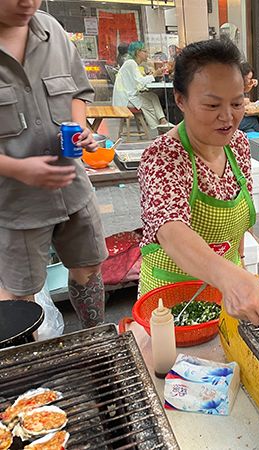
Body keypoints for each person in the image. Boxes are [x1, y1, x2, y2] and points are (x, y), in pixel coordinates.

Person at [137, 39, 259, 337]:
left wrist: (243, 273)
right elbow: (171, 232)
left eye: (237, 103)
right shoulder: (163, 156)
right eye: (212, 105)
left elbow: (239, 230)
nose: (228, 117)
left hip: (227, 303)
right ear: (180, 100)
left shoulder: (239, 145)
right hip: (171, 308)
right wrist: (229, 278)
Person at [0, 3, 107, 328]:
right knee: (20, 295)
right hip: (16, 203)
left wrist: (79, 129)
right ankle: (31, 370)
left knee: (88, 267)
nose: (27, 3)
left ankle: (97, 341)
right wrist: (18, 169)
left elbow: (78, 92)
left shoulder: (52, 32)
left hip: (73, 188)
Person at [112, 41, 171, 130]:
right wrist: (154, 74)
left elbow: (136, 81)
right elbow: (140, 81)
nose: (147, 54)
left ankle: (163, 121)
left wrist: (151, 74)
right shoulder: (131, 63)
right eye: (145, 51)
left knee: (153, 96)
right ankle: (158, 129)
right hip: (126, 100)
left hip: (128, 96)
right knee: (149, 105)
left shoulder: (131, 63)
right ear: (138, 52)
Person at [238, 62, 259, 133]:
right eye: (249, 78)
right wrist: (242, 101)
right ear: (243, 76)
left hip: (238, 119)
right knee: (253, 121)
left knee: (250, 131)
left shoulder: (240, 83)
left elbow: (245, 90)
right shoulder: (234, 84)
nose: (250, 80)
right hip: (231, 122)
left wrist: (251, 84)